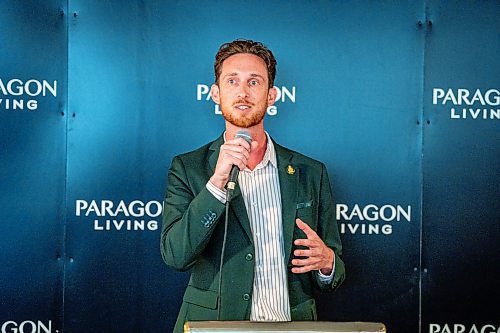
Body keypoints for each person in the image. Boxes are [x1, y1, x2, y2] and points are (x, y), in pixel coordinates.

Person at [161, 39, 345, 333]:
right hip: (217, 327)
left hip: (291, 325)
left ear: (271, 95)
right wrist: (217, 183)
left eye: (254, 82)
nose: (243, 92)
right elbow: (175, 255)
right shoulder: (189, 168)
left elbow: (333, 268)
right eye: (232, 81)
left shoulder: (311, 172)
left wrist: (327, 263)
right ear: (215, 94)